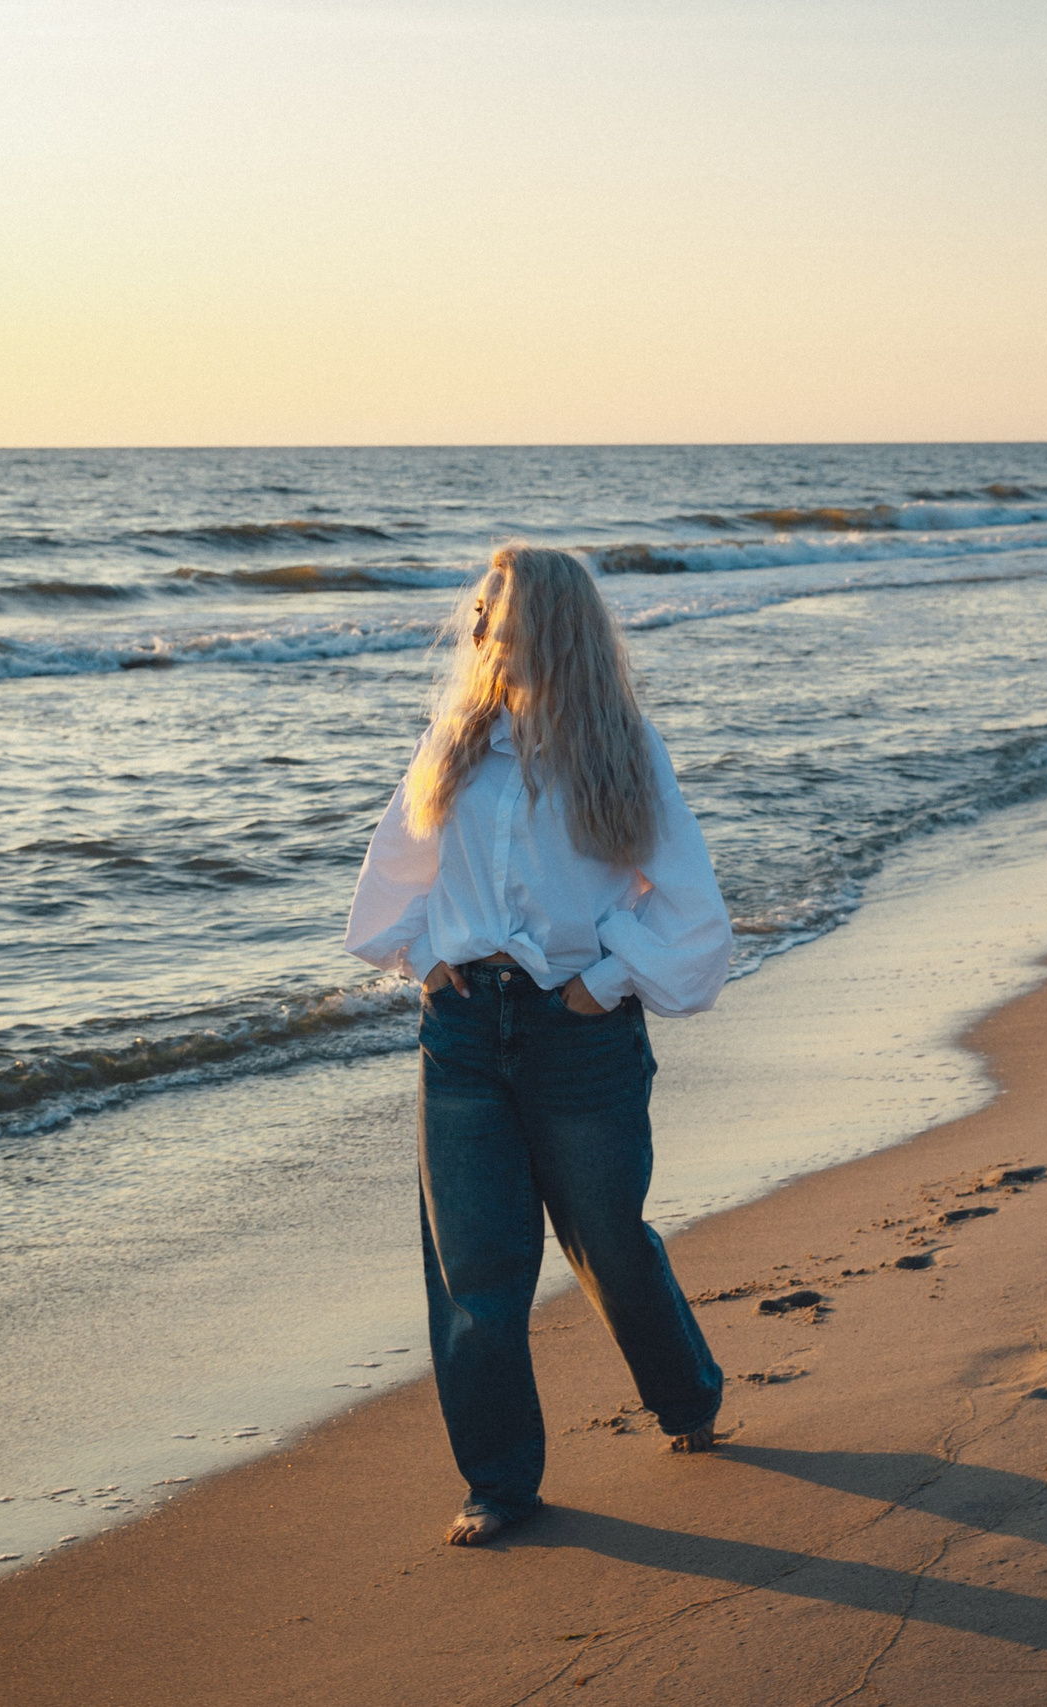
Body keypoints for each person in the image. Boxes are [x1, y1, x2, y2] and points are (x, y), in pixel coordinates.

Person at [345, 543, 734, 1547]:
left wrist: (601, 983)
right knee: (475, 1268)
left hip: (580, 1035)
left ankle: (686, 1397)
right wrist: (428, 956)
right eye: (476, 610)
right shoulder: (457, 742)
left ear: (549, 624)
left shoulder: (622, 748)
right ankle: (501, 1485)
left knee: (606, 1241)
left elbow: (693, 919)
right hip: (465, 1034)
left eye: (496, 610)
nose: (476, 627)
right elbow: (394, 875)